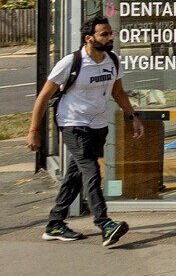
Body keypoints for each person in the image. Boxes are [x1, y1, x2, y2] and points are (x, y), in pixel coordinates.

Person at [27, 12, 143, 246]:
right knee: (91, 170)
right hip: (73, 124)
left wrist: (133, 117)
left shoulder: (113, 60)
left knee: (75, 175)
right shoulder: (71, 63)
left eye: (111, 33)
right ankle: (104, 223)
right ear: (89, 38)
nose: (111, 37)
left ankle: (55, 223)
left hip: (98, 126)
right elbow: (43, 97)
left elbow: (117, 92)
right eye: (105, 34)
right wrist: (34, 130)